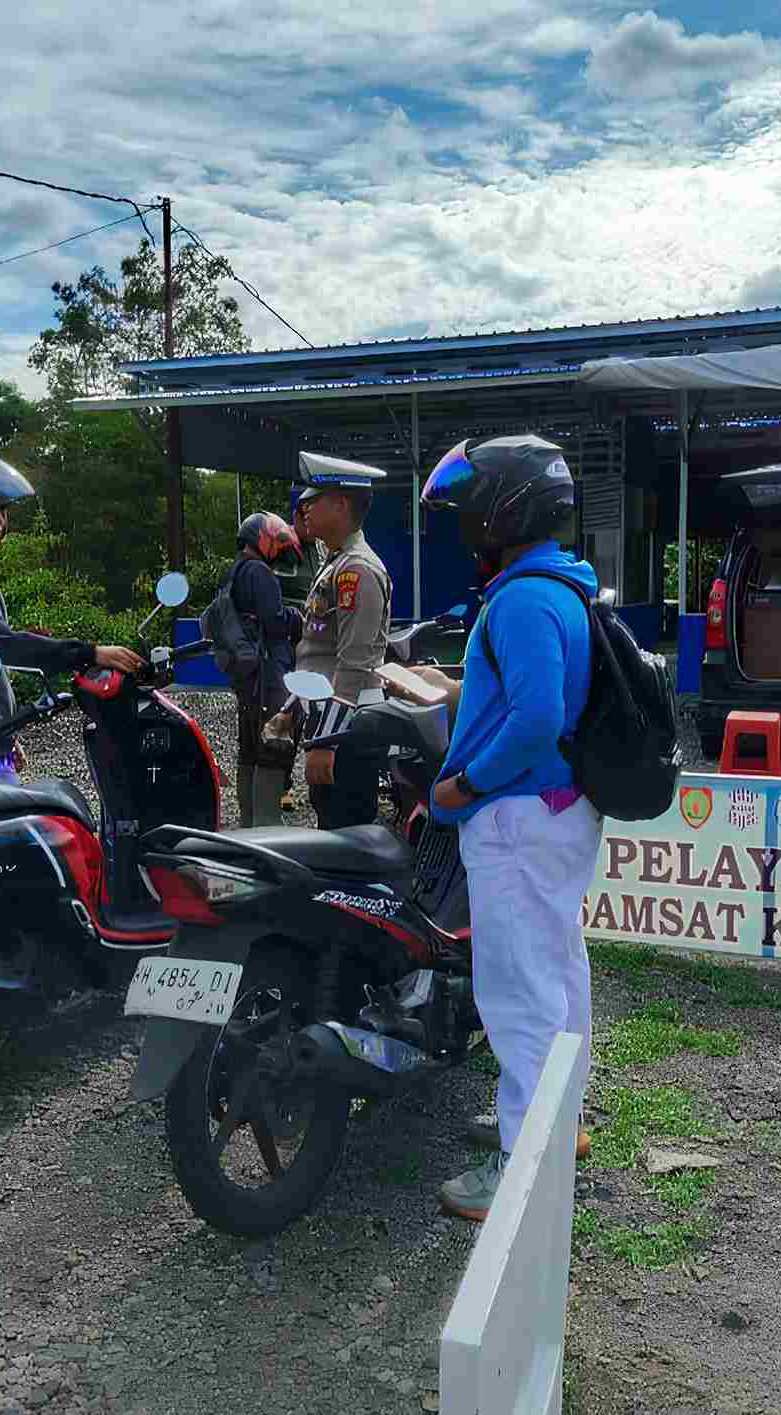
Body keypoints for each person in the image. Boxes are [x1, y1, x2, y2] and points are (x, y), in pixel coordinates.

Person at [416, 434, 603, 1223]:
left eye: (471, 503)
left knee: (517, 991)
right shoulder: (562, 586)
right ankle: (558, 1120)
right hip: (557, 811)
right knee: (556, 968)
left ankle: (523, 1167)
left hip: (519, 816)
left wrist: (459, 783)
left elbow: (535, 720)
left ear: (506, 507)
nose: (463, 518)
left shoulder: (522, 597)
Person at [0, 455, 142, 782]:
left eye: (3, 510)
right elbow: (5, 645)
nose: (1, 521)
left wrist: (6, 734)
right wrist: (90, 652)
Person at [293, 464, 392, 829]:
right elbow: (317, 651)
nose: (304, 507)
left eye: (313, 500)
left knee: (347, 835)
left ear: (340, 505)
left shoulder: (357, 569)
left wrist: (327, 741)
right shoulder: (335, 564)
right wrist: (292, 709)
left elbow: (353, 663)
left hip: (348, 727)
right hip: (331, 719)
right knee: (330, 827)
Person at [225, 511, 305, 826]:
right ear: (265, 538)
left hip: (246, 680)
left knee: (249, 753)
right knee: (273, 751)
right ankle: (268, 827)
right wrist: (296, 618)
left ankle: (248, 826)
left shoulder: (233, 573)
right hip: (270, 679)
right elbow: (273, 622)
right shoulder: (260, 573)